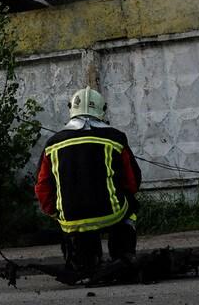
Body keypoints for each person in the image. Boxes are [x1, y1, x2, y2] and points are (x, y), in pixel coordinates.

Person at [35, 87, 142, 280]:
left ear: (71, 109)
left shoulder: (52, 144)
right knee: (131, 207)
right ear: (102, 110)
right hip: (112, 215)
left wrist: (54, 213)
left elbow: (42, 187)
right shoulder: (115, 138)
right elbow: (133, 181)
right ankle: (123, 255)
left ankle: (82, 260)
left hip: (71, 219)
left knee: (74, 224)